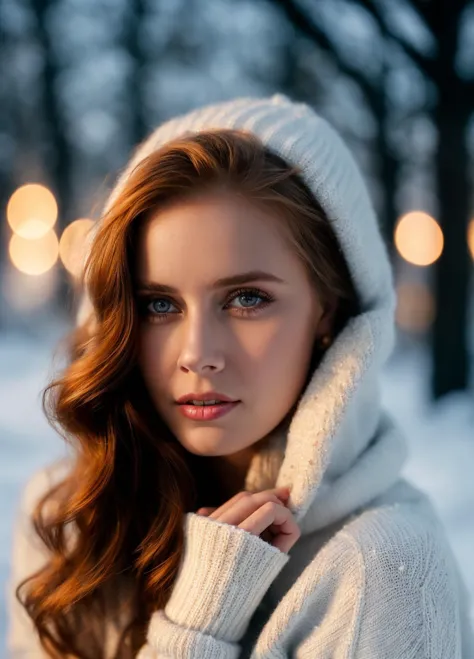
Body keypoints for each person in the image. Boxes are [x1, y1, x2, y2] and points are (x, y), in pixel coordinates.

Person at [6, 94, 473, 659]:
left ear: (328, 310)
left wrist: (196, 634)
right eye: (158, 305)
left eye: (247, 298)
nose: (198, 354)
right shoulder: (73, 516)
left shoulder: (384, 571)